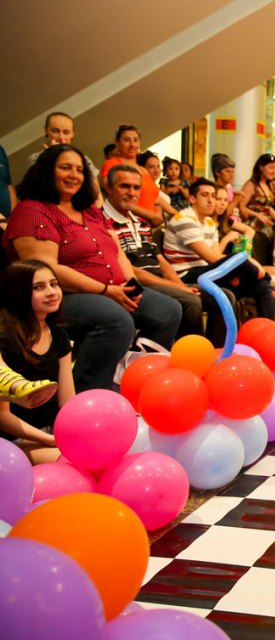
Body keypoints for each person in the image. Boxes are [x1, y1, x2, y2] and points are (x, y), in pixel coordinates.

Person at [4, 145, 181, 391]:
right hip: (59, 295)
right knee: (116, 320)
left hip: (112, 289)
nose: (74, 175)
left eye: (79, 170)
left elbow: (117, 251)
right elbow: (47, 268)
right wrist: (106, 290)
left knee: (168, 310)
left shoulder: (90, 210)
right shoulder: (32, 211)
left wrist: (132, 285)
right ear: (46, 171)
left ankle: (135, 380)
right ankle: (87, 393)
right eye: (65, 168)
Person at [103, 165, 234, 347]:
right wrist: (178, 288)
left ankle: (218, 352)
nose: (132, 192)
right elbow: (128, 270)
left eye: (136, 187)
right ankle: (194, 356)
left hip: (162, 281)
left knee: (223, 296)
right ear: (109, 187)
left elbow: (161, 261)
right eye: (125, 186)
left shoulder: (140, 222)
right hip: (134, 285)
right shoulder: (102, 221)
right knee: (191, 301)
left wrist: (182, 286)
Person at [162, 179, 275, 319]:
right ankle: (271, 279)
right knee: (237, 258)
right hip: (186, 274)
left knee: (262, 286)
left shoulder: (209, 222)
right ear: (192, 199)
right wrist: (237, 265)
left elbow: (217, 255)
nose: (211, 200)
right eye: (205, 195)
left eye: (213, 196)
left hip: (207, 272)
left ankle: (268, 329)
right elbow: (212, 258)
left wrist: (234, 272)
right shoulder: (184, 219)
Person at [0, 260, 74, 464]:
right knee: (71, 463)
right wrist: (51, 440)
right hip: (13, 439)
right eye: (38, 287)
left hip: (50, 433)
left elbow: (67, 400)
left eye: (54, 284)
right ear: (18, 292)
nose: (52, 292)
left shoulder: (58, 335)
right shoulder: (4, 338)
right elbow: (3, 417)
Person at [99, 125, 174, 226]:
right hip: (127, 223)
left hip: (149, 225)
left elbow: (155, 197)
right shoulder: (111, 164)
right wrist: (151, 216)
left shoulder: (143, 170)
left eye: (136, 140)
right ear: (117, 142)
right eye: (127, 140)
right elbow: (116, 196)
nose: (132, 145)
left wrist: (176, 214)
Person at [25, 112, 102, 202]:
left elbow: (96, 195)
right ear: (46, 130)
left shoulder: (84, 159)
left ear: (72, 134)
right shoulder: (35, 158)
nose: (61, 137)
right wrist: (51, 156)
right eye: (55, 131)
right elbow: (36, 191)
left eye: (66, 132)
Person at [238, 154, 275, 229]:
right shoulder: (251, 185)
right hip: (252, 226)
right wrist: (257, 215)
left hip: (266, 225)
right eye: (271, 168)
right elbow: (241, 206)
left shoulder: (269, 185)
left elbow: (267, 207)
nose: (274, 172)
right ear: (261, 167)